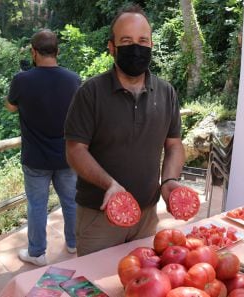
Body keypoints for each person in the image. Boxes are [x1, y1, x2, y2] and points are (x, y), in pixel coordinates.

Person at [64, 5, 185, 256]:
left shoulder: (166, 93)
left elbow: (173, 145)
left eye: (142, 41)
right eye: (127, 41)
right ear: (112, 47)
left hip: (148, 216)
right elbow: (75, 150)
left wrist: (170, 179)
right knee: (96, 288)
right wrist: (109, 184)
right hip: (99, 217)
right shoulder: (91, 93)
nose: (136, 48)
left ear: (151, 44)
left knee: (144, 285)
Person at [6, 29, 81, 266]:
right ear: (57, 51)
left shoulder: (22, 80)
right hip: (67, 157)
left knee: (37, 206)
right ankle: (73, 242)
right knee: (71, 202)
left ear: (33, 52)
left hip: (35, 158)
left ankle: (37, 253)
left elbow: (11, 107)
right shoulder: (73, 79)